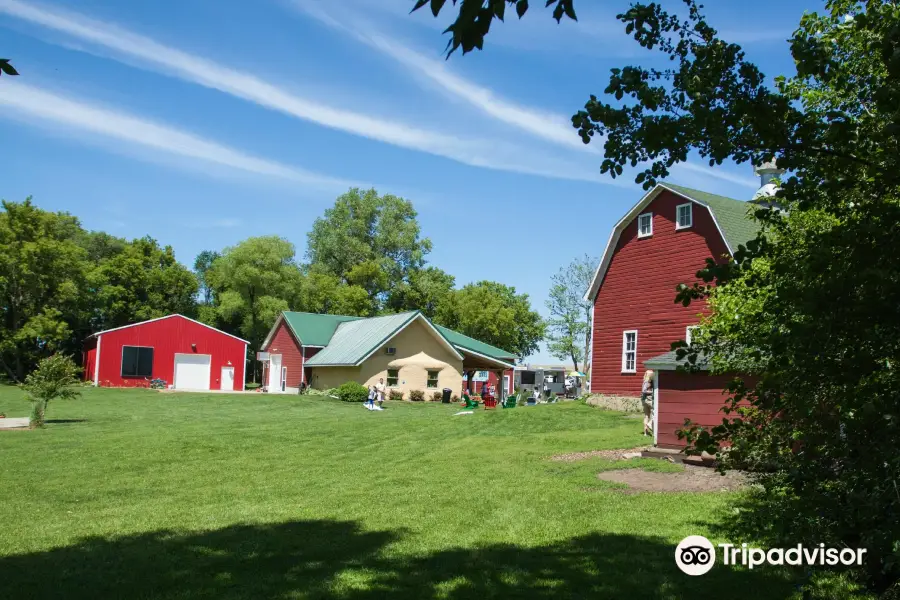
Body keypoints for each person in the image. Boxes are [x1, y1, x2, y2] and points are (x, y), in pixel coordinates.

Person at [641, 370, 655, 436]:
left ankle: (645, 433)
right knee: (654, 413)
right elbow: (644, 391)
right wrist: (653, 392)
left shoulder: (644, 381)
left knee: (646, 416)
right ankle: (650, 424)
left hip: (644, 400)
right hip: (648, 400)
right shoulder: (647, 382)